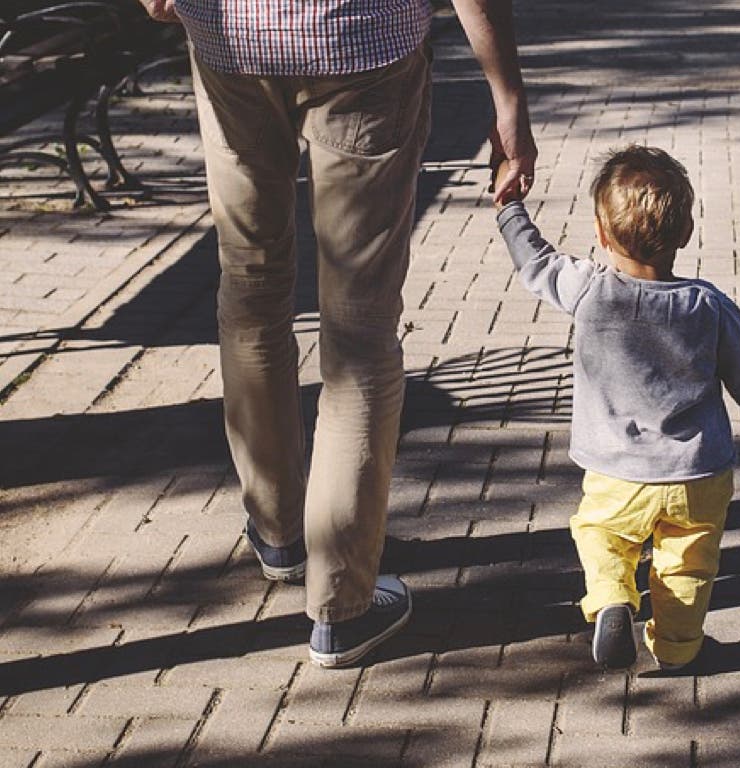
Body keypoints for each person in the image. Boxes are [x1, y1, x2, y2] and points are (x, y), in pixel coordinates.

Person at [136, 0, 537, 667]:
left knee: (251, 290)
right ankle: (341, 605)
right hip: (362, 45)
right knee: (360, 329)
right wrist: (508, 96)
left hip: (232, 40)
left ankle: (281, 534)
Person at [495, 146, 740, 671]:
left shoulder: (590, 291)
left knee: (601, 534)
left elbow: (535, 262)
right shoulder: (708, 304)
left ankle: (611, 601)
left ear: (602, 236)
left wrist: (509, 208)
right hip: (699, 473)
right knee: (688, 567)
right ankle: (676, 649)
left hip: (617, 472)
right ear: (685, 233)